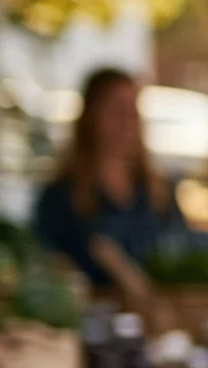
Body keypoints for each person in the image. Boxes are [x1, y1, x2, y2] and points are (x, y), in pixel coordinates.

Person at [33, 67, 189, 293]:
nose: (125, 123)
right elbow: (45, 264)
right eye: (115, 111)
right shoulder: (61, 196)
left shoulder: (158, 192)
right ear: (90, 116)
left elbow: (180, 259)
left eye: (132, 113)